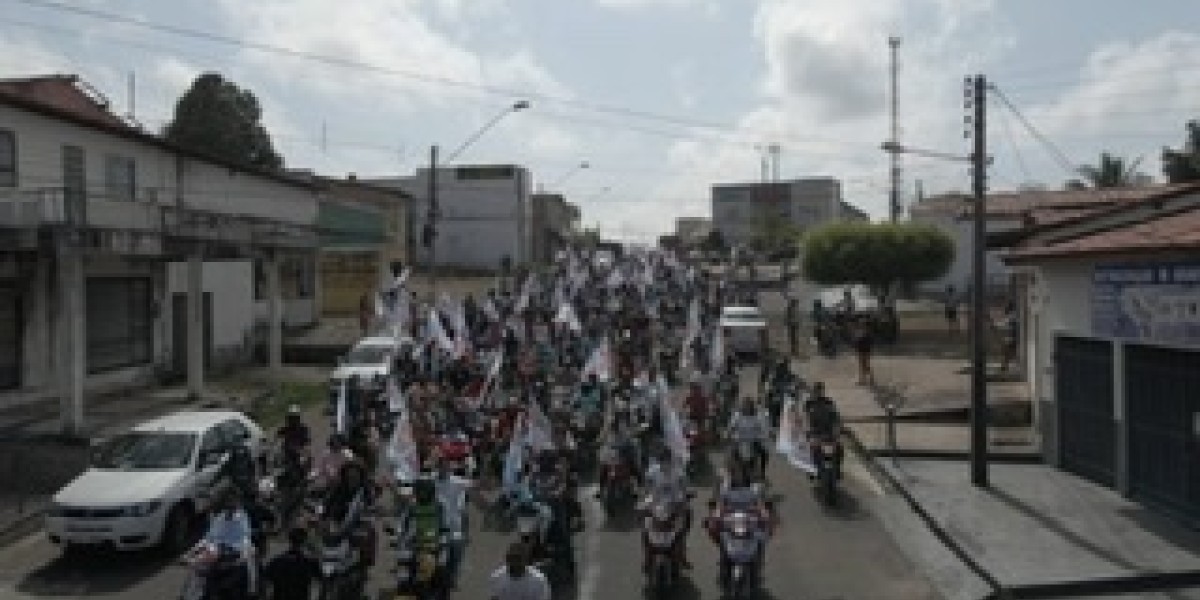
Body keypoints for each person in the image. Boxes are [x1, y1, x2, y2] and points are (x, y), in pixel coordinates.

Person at [200, 490, 255, 598]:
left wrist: (239, 549)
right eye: (229, 502)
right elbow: (210, 535)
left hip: (236, 550)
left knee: (249, 564)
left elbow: (245, 535)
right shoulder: (219, 517)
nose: (231, 505)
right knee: (201, 570)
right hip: (218, 551)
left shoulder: (242, 517)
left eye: (233, 502)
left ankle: (251, 591)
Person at [434, 457, 474, 589]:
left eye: (446, 467)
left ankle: (452, 579)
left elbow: (474, 484)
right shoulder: (431, 481)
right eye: (441, 466)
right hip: (437, 527)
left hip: (455, 527)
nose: (444, 469)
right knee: (438, 556)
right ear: (438, 467)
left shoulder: (456, 481)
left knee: (456, 555)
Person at [263, 527, 320, 600]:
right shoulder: (308, 563)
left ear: (290, 540)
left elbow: (266, 582)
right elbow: (319, 580)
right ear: (304, 541)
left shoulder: (277, 561)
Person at [803, 382, 843, 479]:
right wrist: (807, 431)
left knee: (839, 449)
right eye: (817, 390)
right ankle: (811, 469)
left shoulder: (828, 402)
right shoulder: (809, 403)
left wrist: (837, 429)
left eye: (820, 390)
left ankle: (837, 469)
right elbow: (805, 417)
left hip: (828, 433)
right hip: (814, 433)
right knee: (809, 450)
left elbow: (836, 417)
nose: (818, 392)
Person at [727, 399, 770, 480]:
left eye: (749, 407)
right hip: (739, 440)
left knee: (765, 453)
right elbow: (731, 426)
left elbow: (763, 428)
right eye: (746, 407)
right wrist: (730, 433)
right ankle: (732, 472)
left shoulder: (757, 416)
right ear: (743, 407)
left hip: (753, 440)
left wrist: (763, 435)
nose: (747, 409)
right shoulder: (737, 415)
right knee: (731, 452)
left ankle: (762, 472)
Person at [852, 316, 874, 385]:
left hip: (864, 350)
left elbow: (864, 342)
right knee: (863, 365)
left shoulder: (866, 332)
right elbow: (857, 341)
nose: (860, 324)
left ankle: (864, 380)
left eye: (862, 323)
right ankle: (867, 379)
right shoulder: (862, 332)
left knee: (864, 365)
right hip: (862, 350)